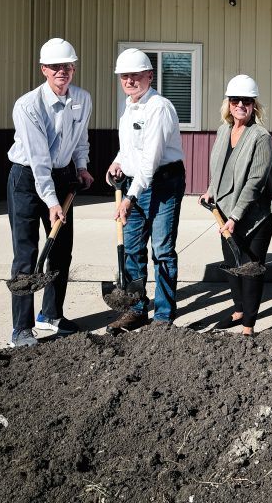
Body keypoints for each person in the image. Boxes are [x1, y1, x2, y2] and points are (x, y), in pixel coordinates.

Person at [6, 38, 94, 347]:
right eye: (55, 67)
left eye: (68, 66)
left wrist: (81, 167)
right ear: (43, 69)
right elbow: (39, 158)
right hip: (28, 180)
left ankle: (51, 314)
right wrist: (52, 201)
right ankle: (21, 328)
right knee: (27, 254)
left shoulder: (82, 98)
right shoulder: (28, 105)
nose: (62, 71)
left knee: (61, 249)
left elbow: (80, 138)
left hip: (63, 175)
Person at [104, 48, 186, 332]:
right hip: (135, 182)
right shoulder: (130, 106)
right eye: (124, 76)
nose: (129, 80)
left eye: (135, 75)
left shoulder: (159, 107)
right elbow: (132, 148)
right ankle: (136, 310)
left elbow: (150, 161)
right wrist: (117, 161)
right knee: (132, 248)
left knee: (162, 250)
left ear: (149, 76)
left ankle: (163, 316)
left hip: (163, 183)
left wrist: (129, 197)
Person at [201, 75, 272, 336]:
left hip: (257, 212)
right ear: (228, 103)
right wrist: (211, 191)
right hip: (226, 208)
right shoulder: (224, 130)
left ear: (254, 105)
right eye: (235, 100)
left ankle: (249, 325)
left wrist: (235, 216)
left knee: (250, 266)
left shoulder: (261, 137)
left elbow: (255, 183)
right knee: (231, 261)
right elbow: (219, 167)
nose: (240, 105)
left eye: (246, 101)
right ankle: (238, 310)